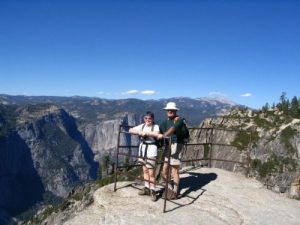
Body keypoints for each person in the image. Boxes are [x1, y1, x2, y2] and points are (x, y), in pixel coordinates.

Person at [157, 102, 187, 199]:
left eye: (171, 110)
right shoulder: (165, 121)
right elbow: (158, 130)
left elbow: (173, 130)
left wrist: (164, 135)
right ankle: (169, 187)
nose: (169, 111)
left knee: (174, 170)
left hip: (176, 145)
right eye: (168, 110)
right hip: (168, 146)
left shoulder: (180, 120)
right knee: (163, 170)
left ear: (175, 111)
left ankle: (175, 192)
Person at [129, 111, 160, 201]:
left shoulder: (155, 126)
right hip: (142, 150)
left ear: (153, 119)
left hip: (151, 150)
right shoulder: (142, 126)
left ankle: (153, 190)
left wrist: (146, 133)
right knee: (145, 170)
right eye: (146, 118)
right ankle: (146, 188)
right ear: (144, 119)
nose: (147, 120)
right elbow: (130, 130)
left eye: (149, 118)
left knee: (151, 172)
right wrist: (139, 132)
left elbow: (156, 134)